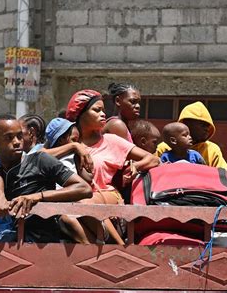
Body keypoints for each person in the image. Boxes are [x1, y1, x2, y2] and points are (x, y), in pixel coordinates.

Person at [63, 89, 159, 244]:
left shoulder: (111, 141)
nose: (103, 114)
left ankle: (120, 247)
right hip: (75, 201)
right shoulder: (68, 143)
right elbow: (42, 155)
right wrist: (75, 147)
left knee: (82, 203)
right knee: (65, 217)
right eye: (97, 110)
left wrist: (137, 166)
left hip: (105, 196)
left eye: (103, 110)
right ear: (81, 114)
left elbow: (153, 160)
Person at [0, 114, 93, 242]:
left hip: (38, 243)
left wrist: (38, 196)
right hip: (3, 240)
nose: (17, 142)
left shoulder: (40, 160)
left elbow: (84, 189)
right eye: (9, 137)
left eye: (19, 136)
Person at [156, 101, 227, 172]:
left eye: (208, 125)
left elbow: (225, 176)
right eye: (203, 124)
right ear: (186, 124)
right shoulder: (163, 149)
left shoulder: (212, 149)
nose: (207, 129)